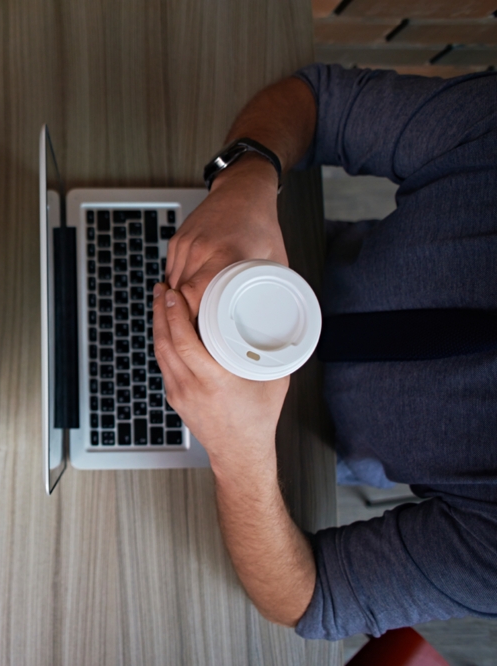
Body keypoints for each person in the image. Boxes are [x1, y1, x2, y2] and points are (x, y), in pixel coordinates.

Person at [152, 63, 496, 640]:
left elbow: (310, 600)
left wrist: (240, 456)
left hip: (289, 441)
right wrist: (245, 177)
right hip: (263, 264)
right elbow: (318, 101)